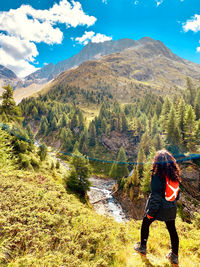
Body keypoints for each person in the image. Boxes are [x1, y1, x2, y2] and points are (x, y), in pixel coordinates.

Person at [134, 149, 181, 265]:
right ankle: (174, 256)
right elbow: (177, 195)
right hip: (171, 207)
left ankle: (142, 247)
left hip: (158, 207)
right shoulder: (174, 176)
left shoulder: (157, 176)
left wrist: (150, 212)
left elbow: (155, 196)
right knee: (172, 230)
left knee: (146, 223)